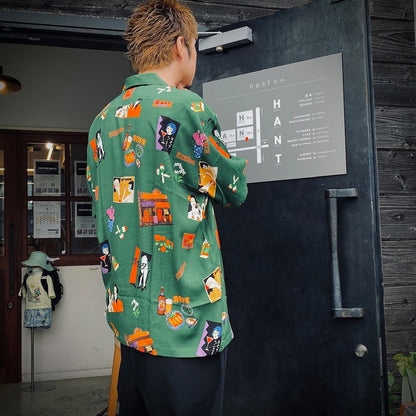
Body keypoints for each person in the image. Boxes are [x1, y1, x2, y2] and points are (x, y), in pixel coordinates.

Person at [86, 0, 248, 414]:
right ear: (181, 45)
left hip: (130, 327)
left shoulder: (101, 121)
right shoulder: (185, 107)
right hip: (187, 331)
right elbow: (233, 189)